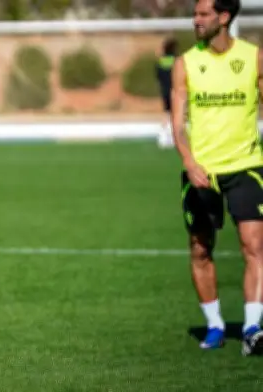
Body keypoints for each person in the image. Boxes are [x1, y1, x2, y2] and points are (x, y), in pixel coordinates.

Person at [171, 0, 263, 356]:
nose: (196, 20)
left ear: (223, 18)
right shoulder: (185, 64)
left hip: (246, 165)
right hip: (202, 170)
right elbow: (177, 121)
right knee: (200, 248)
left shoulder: (254, 58)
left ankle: (253, 327)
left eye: (203, 14)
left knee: (254, 247)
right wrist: (189, 160)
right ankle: (215, 325)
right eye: (195, 14)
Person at [156, 38, 177, 148]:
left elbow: (158, 76)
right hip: (175, 91)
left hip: (165, 90)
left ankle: (162, 136)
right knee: (176, 113)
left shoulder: (161, 62)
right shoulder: (177, 61)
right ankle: (174, 137)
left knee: (166, 113)